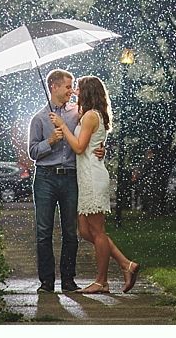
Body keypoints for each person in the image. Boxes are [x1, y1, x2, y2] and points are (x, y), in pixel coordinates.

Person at [50, 75, 141, 294]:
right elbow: (91, 144)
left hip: (92, 177)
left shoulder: (91, 116)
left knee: (98, 231)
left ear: (88, 91)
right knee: (84, 231)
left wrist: (63, 126)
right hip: (86, 178)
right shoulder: (88, 114)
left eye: (78, 89)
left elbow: (80, 148)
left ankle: (102, 281)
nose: (75, 92)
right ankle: (125, 263)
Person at [27, 69, 104, 294]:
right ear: (54, 86)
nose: (72, 91)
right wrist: (49, 141)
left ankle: (68, 280)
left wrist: (101, 149)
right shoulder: (39, 118)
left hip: (71, 177)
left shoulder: (77, 114)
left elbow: (90, 137)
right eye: (68, 87)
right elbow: (32, 152)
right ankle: (46, 282)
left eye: (72, 87)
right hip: (45, 178)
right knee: (44, 231)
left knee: (71, 232)